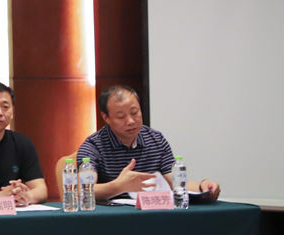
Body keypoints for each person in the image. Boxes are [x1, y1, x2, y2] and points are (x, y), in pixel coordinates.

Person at [77, 85, 221, 200]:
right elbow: (82, 190)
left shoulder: (156, 139)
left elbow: (175, 182)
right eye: (121, 117)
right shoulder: (93, 146)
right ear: (106, 118)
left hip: (149, 213)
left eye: (135, 112)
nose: (131, 121)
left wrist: (203, 187)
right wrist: (119, 186)